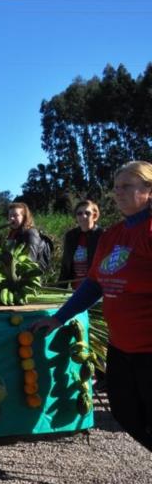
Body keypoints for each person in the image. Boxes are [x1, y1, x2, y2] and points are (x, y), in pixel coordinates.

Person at [32, 161, 152, 452]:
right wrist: (59, 318)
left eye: (127, 186)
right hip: (121, 346)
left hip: (150, 349)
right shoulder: (112, 235)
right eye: (116, 187)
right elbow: (94, 283)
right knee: (125, 413)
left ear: (149, 191)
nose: (117, 192)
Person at [58, 200, 104, 289]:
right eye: (79, 213)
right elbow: (66, 264)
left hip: (96, 288)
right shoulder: (70, 236)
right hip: (75, 288)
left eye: (87, 213)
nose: (83, 216)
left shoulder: (103, 235)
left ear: (94, 216)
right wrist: (60, 288)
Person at [6, 202, 48, 269]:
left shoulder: (31, 233)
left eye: (15, 215)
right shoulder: (12, 234)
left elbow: (30, 259)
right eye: (10, 215)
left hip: (27, 276)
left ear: (24, 217)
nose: (11, 218)